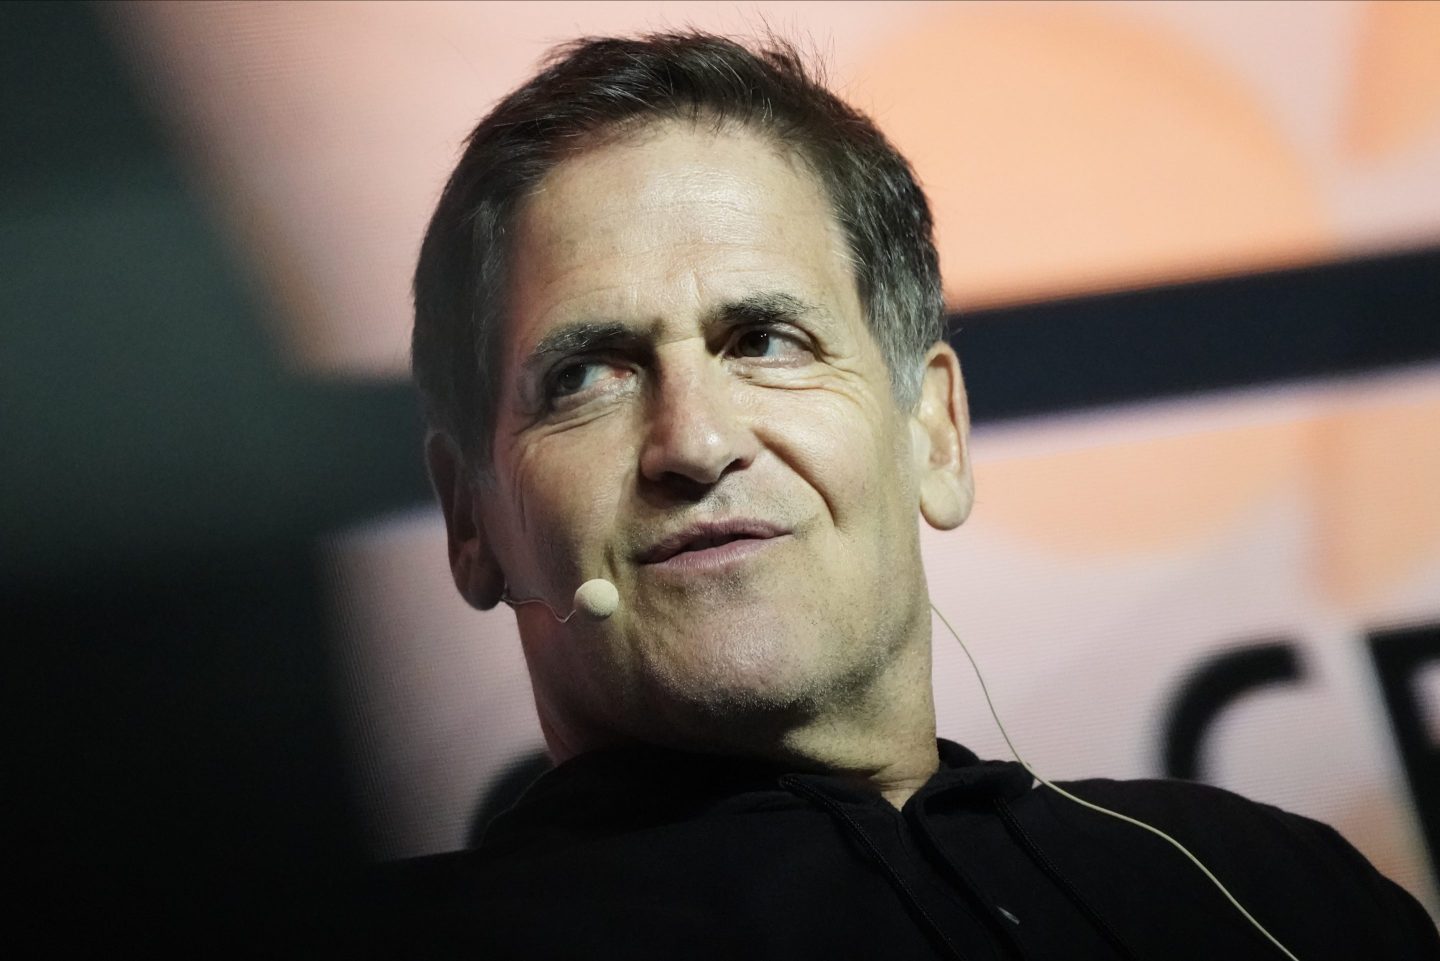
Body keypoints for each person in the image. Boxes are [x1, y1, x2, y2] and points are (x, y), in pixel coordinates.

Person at [391, 31, 1439, 960]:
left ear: (935, 432)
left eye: (765, 341)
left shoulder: (1281, 895)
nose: (695, 444)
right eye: (586, 375)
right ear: (469, 519)